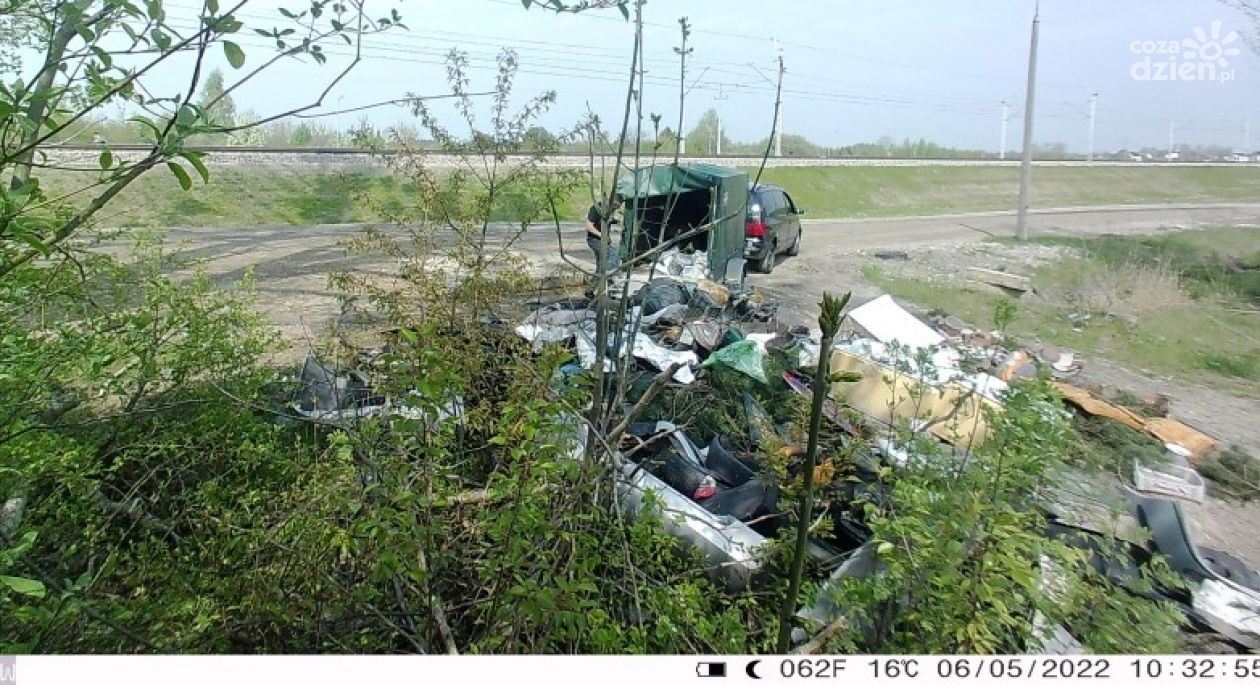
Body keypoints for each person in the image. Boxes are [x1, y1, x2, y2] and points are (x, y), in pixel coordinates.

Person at [585, 195, 623, 286]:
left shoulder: (609, 210)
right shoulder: (597, 208)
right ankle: (605, 279)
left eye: (617, 207)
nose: (615, 208)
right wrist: (602, 236)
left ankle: (591, 289)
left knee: (600, 266)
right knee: (613, 254)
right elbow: (588, 226)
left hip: (603, 240)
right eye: (615, 205)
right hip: (594, 240)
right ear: (610, 201)